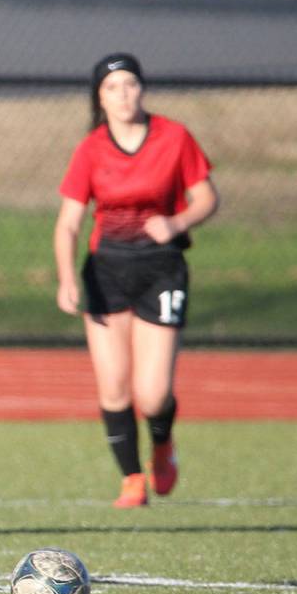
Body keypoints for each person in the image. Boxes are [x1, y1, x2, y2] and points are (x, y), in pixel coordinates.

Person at [53, 53, 219, 508]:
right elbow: (69, 222)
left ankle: (162, 445)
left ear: (142, 89)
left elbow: (206, 197)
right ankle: (131, 478)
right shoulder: (91, 148)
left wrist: (178, 222)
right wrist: (67, 277)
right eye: (112, 87)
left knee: (153, 393)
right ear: (99, 98)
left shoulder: (174, 136)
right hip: (107, 272)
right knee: (114, 387)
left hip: (161, 269)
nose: (123, 94)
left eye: (130, 84)